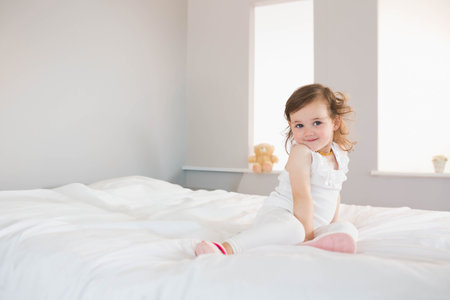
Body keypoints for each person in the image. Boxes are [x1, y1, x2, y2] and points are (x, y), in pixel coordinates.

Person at [195, 83, 358, 256]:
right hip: (283, 215)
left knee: (347, 228)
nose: (308, 132)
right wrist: (307, 236)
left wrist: (331, 225)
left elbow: (335, 192)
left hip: (312, 223)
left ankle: (314, 241)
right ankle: (226, 248)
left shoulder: (339, 154)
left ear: (335, 122)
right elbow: (301, 196)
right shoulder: (301, 153)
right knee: (294, 230)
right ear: (291, 125)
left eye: (317, 123)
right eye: (299, 125)